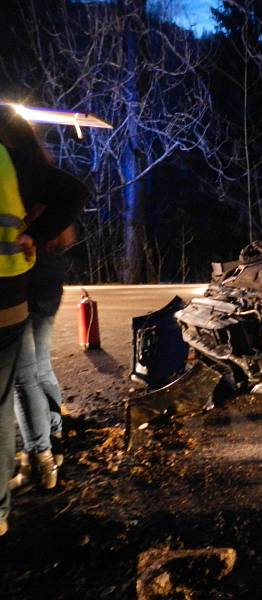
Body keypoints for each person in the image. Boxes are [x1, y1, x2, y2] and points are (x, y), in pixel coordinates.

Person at [0, 105, 87, 536]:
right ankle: (49, 439)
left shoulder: (17, 166)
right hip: (45, 280)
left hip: (28, 281)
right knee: (36, 368)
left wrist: (34, 235)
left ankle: (42, 458)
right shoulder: (36, 164)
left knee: (25, 374)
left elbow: (72, 195)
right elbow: (72, 197)